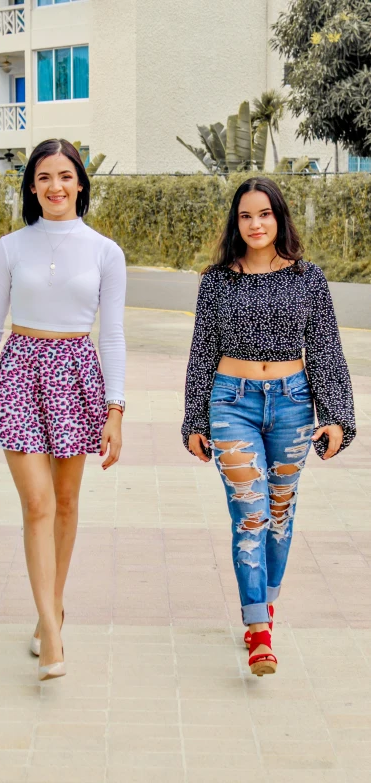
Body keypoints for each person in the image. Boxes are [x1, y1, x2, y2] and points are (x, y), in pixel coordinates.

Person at [0, 139, 126, 681]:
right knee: (37, 503)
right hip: (21, 372)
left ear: (81, 183)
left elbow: (113, 334)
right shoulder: (10, 247)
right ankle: (51, 630)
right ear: (31, 185)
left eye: (66, 176)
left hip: (77, 375)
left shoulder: (105, 252)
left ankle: (52, 604)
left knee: (67, 502)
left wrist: (115, 409)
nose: (56, 186)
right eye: (44, 177)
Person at [182, 177, 355, 677]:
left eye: (264, 214)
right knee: (250, 511)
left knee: (280, 512)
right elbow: (201, 353)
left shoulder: (309, 278)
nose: (255, 224)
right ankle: (259, 630)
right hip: (230, 402)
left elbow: (325, 350)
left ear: (280, 218)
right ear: (235, 223)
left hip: (294, 405)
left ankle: (266, 602)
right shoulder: (216, 281)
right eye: (245, 216)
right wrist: (194, 418)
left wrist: (338, 417)